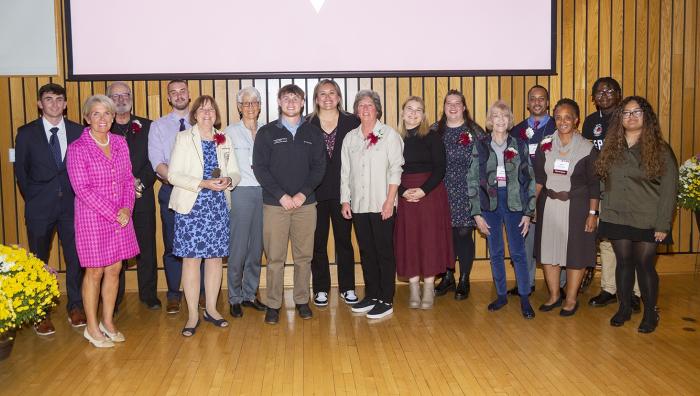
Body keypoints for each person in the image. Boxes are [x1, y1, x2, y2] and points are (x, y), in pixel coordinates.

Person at [596, 96, 678, 333]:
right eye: (626, 113)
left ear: (647, 117)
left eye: (637, 112)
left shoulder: (660, 149)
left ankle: (650, 312)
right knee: (623, 264)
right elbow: (602, 179)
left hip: (647, 218)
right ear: (619, 118)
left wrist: (663, 224)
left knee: (644, 266)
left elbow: (669, 190)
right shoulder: (612, 147)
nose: (631, 117)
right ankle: (624, 309)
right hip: (616, 215)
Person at [66, 95, 139, 348]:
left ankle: (108, 322)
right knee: (95, 271)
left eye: (106, 113)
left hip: (121, 216)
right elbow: (82, 189)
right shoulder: (77, 148)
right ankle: (92, 326)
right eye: (96, 114)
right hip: (93, 219)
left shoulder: (120, 142)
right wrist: (114, 212)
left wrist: (127, 209)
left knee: (114, 270)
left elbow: (129, 180)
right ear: (87, 118)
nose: (102, 118)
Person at [14, 83, 86, 335]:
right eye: (48, 99)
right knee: (38, 261)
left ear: (65, 104)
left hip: (72, 206)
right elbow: (21, 174)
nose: (54, 104)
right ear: (39, 104)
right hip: (40, 208)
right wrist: (35, 198)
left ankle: (75, 307)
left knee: (75, 259)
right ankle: (40, 313)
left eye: (58, 99)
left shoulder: (79, 131)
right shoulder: (26, 133)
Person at [168, 95, 241, 336]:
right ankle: (191, 314)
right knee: (191, 260)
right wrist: (203, 183)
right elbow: (173, 175)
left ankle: (211, 309)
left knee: (214, 259)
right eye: (202, 110)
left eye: (211, 110)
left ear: (216, 114)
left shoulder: (224, 139)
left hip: (218, 206)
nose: (207, 114)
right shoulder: (183, 138)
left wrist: (229, 180)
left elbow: (235, 172)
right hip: (193, 206)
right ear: (195, 114)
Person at [253, 84, 326, 325]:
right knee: (275, 258)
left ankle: (302, 300)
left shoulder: (313, 133)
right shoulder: (266, 133)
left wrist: (303, 194)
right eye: (287, 98)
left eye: (296, 98)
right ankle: (273, 304)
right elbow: (260, 169)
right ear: (279, 102)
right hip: (275, 205)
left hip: (306, 205)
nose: (291, 102)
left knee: (304, 256)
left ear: (304, 102)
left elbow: (319, 168)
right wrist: (282, 196)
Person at [467, 100, 535, 319]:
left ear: (510, 120)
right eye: (496, 116)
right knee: (495, 252)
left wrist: (528, 212)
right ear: (490, 120)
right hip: (489, 204)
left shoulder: (519, 145)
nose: (500, 120)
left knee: (518, 253)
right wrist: (476, 213)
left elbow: (530, 179)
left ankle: (525, 297)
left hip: (515, 203)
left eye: (505, 116)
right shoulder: (480, 145)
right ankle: (501, 295)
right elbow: (472, 180)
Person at [534, 98, 600, 317]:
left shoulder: (587, 148)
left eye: (568, 117)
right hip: (549, 206)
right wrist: (531, 207)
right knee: (549, 252)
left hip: (577, 207)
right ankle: (554, 296)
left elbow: (594, 185)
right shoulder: (545, 145)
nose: (563, 122)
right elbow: (539, 179)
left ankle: (571, 299)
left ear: (576, 120)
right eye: (559, 117)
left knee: (576, 255)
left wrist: (593, 214)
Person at [342, 90, 404, 319]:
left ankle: (386, 299)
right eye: (361, 106)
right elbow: (345, 172)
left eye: (369, 105)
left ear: (377, 109)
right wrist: (344, 200)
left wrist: (390, 202)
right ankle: (372, 295)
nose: (365, 109)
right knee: (366, 251)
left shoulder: (389, 136)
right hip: (358, 205)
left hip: (382, 204)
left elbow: (395, 170)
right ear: (357, 111)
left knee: (384, 252)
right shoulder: (350, 138)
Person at [583, 77, 641, 312]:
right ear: (593, 98)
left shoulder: (630, 118)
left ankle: (635, 292)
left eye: (609, 91)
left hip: (627, 189)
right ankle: (609, 288)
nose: (604, 95)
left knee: (631, 240)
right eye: (599, 92)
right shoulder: (590, 122)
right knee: (606, 240)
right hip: (600, 188)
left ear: (619, 93)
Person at [148, 80, 204, 314]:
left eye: (182, 91)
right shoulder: (159, 126)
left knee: (201, 245)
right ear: (169, 98)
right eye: (174, 93)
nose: (179, 95)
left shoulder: (203, 122)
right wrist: (179, 181)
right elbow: (157, 162)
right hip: (172, 190)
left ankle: (202, 294)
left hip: (202, 192)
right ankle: (173, 294)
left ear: (189, 95)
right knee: (173, 244)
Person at [395, 96, 453, 309]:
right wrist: (402, 192)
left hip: (430, 193)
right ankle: (413, 289)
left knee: (429, 239)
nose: (413, 113)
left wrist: (423, 190)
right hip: (404, 192)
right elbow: (389, 169)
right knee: (409, 239)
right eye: (409, 109)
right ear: (402, 113)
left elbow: (440, 168)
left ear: (423, 114)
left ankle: (428, 287)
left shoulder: (432, 136)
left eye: (418, 109)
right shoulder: (394, 138)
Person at [107, 82, 160, 311]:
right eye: (115, 96)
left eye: (124, 95)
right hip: (112, 201)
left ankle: (148, 294)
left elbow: (154, 159)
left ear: (131, 98)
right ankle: (114, 298)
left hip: (141, 195)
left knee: (146, 246)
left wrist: (140, 184)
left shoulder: (147, 126)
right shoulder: (102, 127)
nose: (120, 99)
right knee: (115, 250)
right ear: (108, 99)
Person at [308, 79, 360, 307]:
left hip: (344, 194)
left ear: (339, 97)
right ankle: (320, 289)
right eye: (322, 94)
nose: (327, 97)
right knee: (317, 243)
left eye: (332, 93)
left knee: (344, 242)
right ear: (316, 99)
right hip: (315, 193)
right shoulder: (306, 123)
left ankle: (347, 287)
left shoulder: (352, 121)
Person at [432, 90, 485, 300]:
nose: (452, 107)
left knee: (463, 234)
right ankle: (447, 276)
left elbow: (486, 160)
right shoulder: (435, 130)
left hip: (466, 191)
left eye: (457, 103)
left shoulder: (475, 130)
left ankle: (464, 278)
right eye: (448, 103)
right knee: (444, 235)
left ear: (464, 107)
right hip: (440, 190)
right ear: (444, 107)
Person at [507, 85, 556, 296]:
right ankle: (525, 283)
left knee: (553, 236)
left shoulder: (558, 125)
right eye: (533, 99)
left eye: (541, 99)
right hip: (525, 191)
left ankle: (560, 284)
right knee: (525, 237)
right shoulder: (517, 130)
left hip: (553, 191)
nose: (537, 102)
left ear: (547, 102)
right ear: (528, 103)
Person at [224, 86, 267, 318]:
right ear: (239, 107)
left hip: (265, 193)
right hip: (240, 192)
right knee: (238, 247)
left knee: (256, 247)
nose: (250, 107)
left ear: (260, 106)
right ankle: (234, 297)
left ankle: (250, 294)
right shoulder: (229, 133)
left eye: (254, 103)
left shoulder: (268, 131)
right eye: (246, 103)